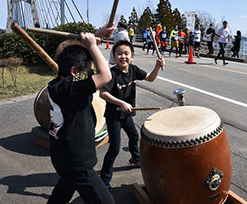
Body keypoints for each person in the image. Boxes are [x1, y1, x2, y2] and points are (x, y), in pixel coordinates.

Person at [47, 25, 115, 204]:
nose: (91, 75)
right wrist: (92, 45)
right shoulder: (71, 86)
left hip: (64, 155)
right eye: (87, 71)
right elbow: (105, 75)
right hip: (75, 161)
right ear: (75, 73)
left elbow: (81, 63)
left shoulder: (60, 84)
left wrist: (96, 38)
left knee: (63, 191)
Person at [99, 40, 164, 191]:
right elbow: (102, 93)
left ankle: (135, 158)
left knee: (134, 136)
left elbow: (150, 78)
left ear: (132, 57)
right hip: (114, 115)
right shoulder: (112, 74)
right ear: (114, 57)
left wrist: (157, 66)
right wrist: (120, 103)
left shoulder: (133, 70)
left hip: (127, 114)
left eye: (126, 54)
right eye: (119, 54)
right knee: (114, 148)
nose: (123, 56)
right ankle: (104, 179)